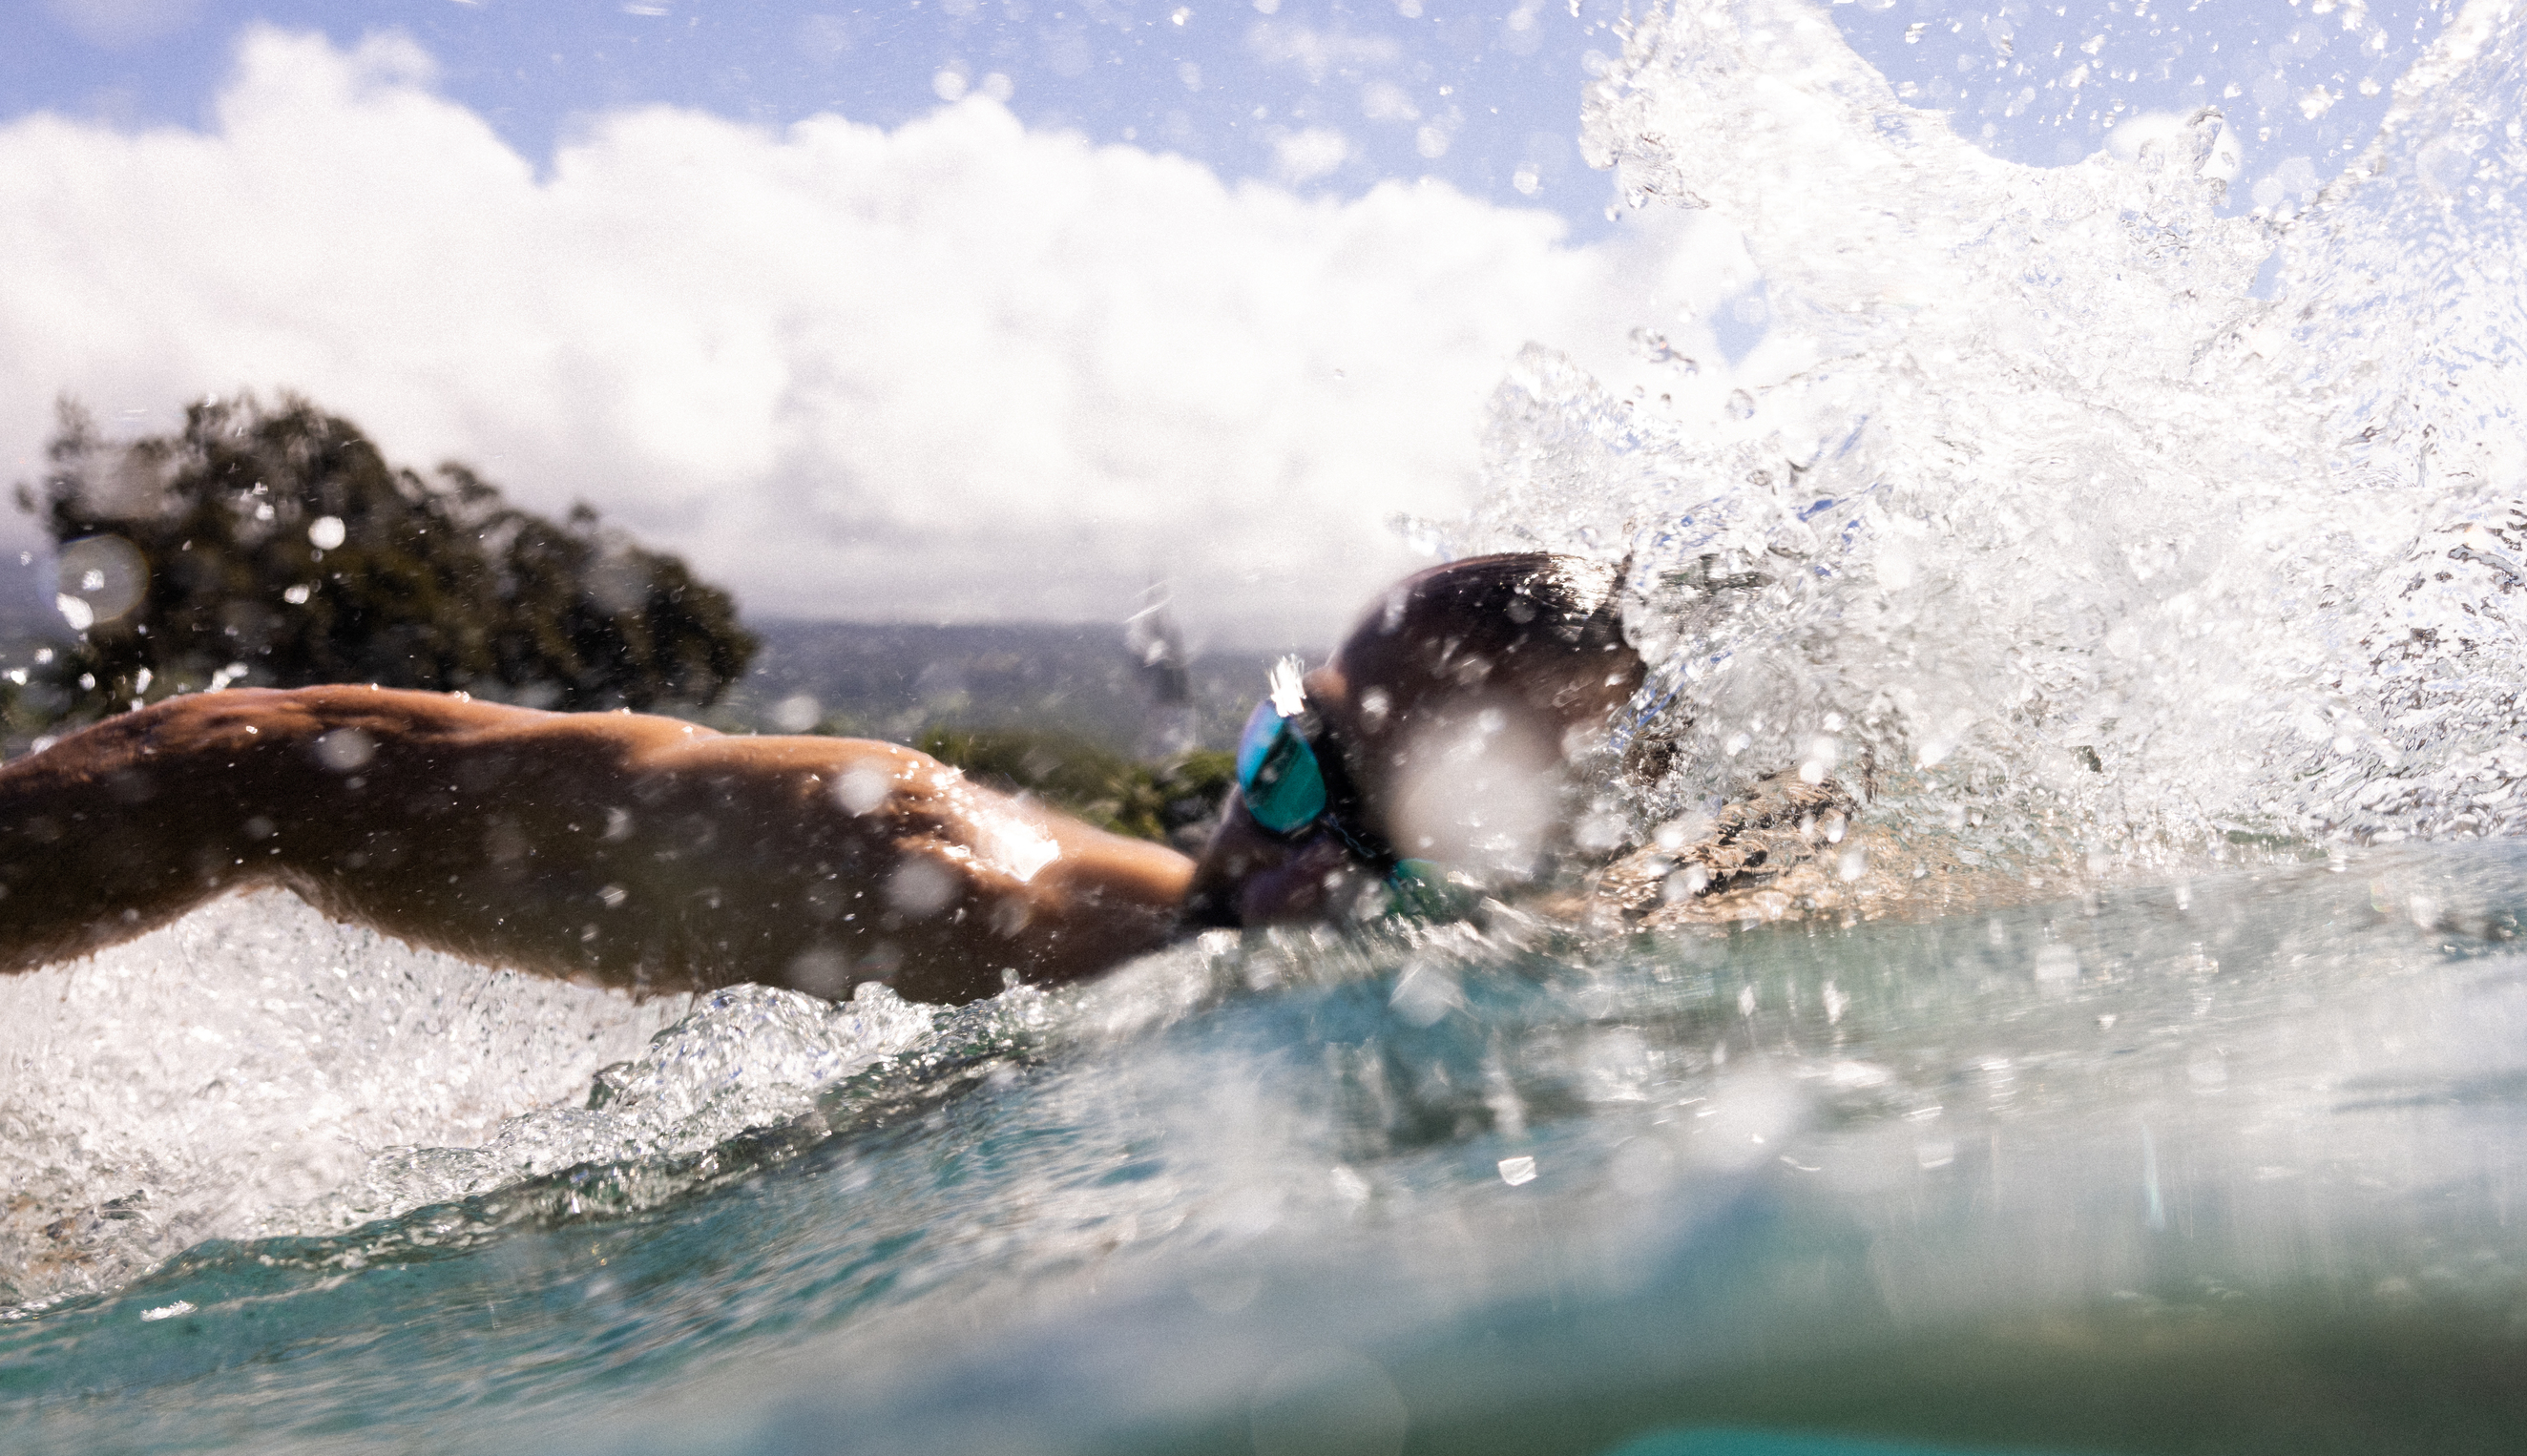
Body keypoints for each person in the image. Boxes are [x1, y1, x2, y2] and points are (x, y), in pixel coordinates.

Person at [0, 553, 1641, 1005]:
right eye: (1282, 771)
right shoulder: (929, 882)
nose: (1279, 874)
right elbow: (240, 768)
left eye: (1384, 853)